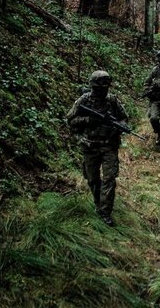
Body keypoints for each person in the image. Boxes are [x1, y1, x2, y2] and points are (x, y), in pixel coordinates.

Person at [67, 71, 128, 226]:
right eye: (100, 86)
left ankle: (105, 211)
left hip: (109, 145)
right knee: (93, 179)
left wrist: (120, 127)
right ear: (93, 86)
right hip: (90, 145)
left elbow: (123, 117)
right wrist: (89, 120)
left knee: (109, 179)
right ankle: (97, 202)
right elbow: (71, 120)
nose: (103, 90)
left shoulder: (112, 100)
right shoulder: (83, 100)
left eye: (106, 86)